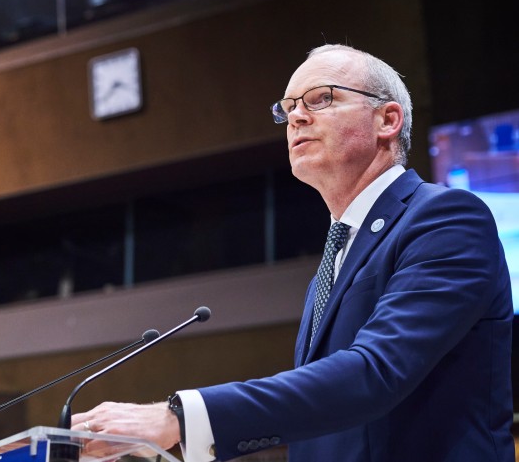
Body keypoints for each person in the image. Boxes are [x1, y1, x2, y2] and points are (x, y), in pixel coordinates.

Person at [70, 44, 514, 461]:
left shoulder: (446, 217)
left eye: (320, 99)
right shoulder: (337, 254)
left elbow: (375, 374)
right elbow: (322, 415)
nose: (297, 117)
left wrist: (178, 418)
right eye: (288, 108)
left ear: (388, 119)